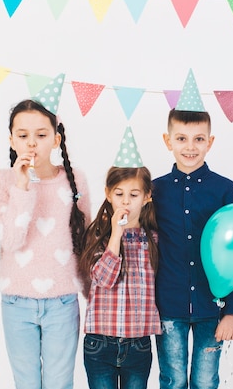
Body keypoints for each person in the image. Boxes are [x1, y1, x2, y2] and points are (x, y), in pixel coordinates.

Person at [0, 96, 91, 389]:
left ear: (56, 139)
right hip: (16, 303)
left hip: (63, 301)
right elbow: (11, 240)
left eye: (41, 135)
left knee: (59, 383)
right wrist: (22, 186)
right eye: (23, 135)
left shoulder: (75, 181)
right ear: (11, 140)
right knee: (27, 383)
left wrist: (94, 296)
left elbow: (85, 242)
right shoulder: (1, 182)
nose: (32, 143)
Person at [153, 69, 233, 389]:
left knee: (206, 381)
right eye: (181, 139)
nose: (189, 147)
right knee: (173, 379)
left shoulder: (226, 190)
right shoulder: (155, 191)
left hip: (212, 307)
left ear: (210, 142)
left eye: (198, 139)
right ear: (168, 141)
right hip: (167, 305)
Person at [79, 127, 161, 389]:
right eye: (119, 194)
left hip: (138, 344)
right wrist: (116, 234)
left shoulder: (154, 239)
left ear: (147, 197)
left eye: (134, 194)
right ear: (108, 194)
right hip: (100, 342)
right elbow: (103, 278)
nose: (126, 201)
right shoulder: (100, 236)